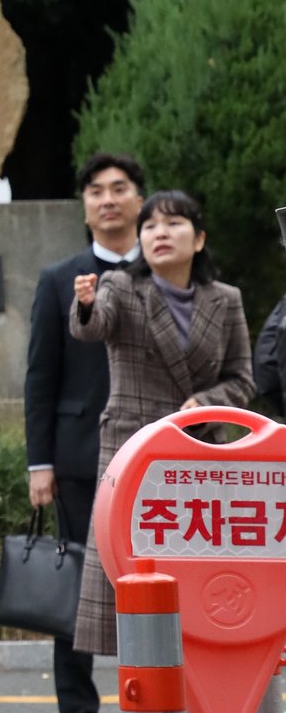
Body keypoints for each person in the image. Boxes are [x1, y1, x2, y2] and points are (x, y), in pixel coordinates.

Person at [69, 189, 254, 654]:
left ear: (199, 239)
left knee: (199, 579)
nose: (160, 234)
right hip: (133, 452)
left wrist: (206, 401)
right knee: (135, 577)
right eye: (150, 226)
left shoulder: (225, 299)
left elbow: (242, 379)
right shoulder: (121, 286)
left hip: (202, 455)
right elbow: (94, 326)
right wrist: (87, 303)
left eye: (173, 224)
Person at [24, 152, 144, 713]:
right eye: (96, 190)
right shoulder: (58, 278)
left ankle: (163, 710)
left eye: (119, 189)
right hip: (77, 458)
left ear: (140, 201)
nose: (107, 199)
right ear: (85, 206)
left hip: (156, 460)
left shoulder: (165, 274)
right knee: (76, 590)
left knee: (158, 590)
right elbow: (40, 376)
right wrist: (37, 463)